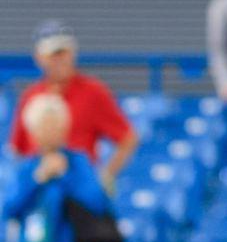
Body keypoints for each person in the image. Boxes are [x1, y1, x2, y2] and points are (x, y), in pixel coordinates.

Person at [11, 21, 138, 194]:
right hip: (41, 190)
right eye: (53, 54)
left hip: (80, 189)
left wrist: (105, 175)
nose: (59, 60)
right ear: (39, 58)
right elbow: (18, 149)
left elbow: (127, 138)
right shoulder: (31, 96)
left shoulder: (93, 92)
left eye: (63, 53)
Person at [4, 94, 116, 242]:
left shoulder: (78, 162)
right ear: (32, 131)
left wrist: (65, 176)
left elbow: (97, 203)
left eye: (55, 125)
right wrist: (38, 179)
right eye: (44, 126)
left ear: (65, 128)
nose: (50, 132)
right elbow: (11, 209)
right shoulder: (27, 168)